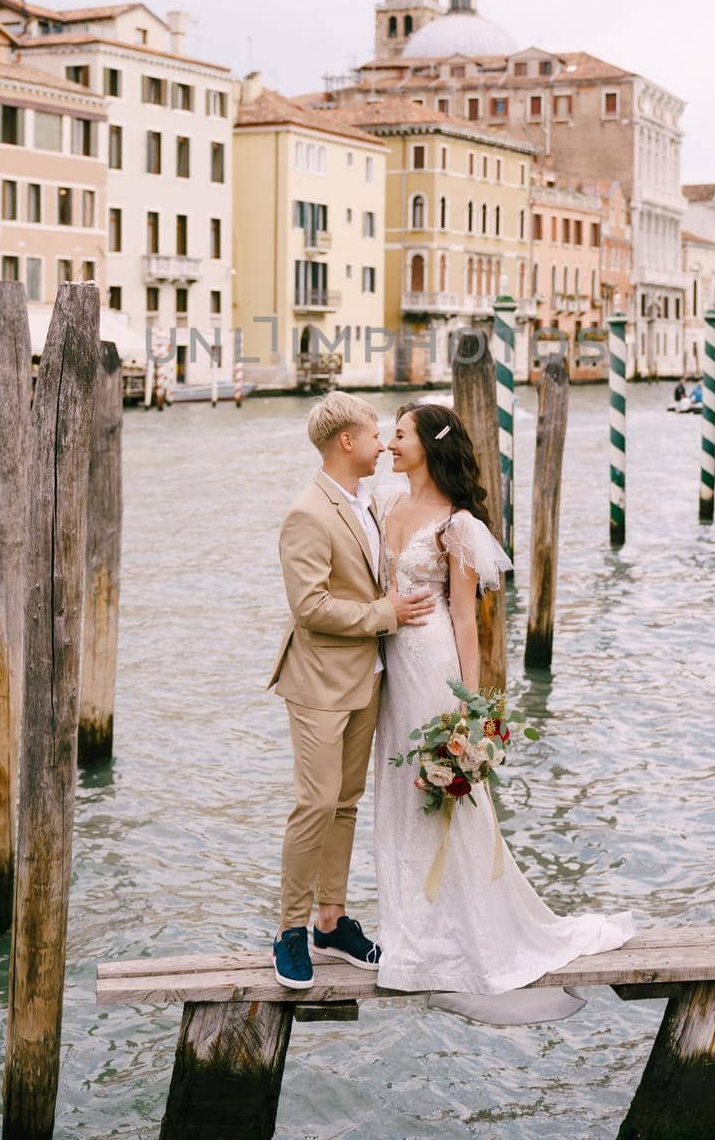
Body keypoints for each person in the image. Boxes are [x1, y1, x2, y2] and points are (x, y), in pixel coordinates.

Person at [372, 400, 635, 1024]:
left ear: (429, 448)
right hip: (390, 668)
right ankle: (413, 938)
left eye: (400, 435)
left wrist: (470, 709)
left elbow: (465, 620)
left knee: (445, 798)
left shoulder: (458, 527)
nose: (389, 444)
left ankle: (465, 939)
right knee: (397, 791)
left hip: (433, 664)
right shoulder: (386, 505)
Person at [268, 391, 436, 990]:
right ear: (347, 442)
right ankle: (289, 931)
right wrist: (384, 613)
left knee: (344, 803)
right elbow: (309, 607)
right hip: (318, 681)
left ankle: (330, 921)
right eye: (374, 435)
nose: (382, 444)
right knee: (314, 805)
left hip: (367, 677)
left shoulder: (368, 501)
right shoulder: (308, 512)